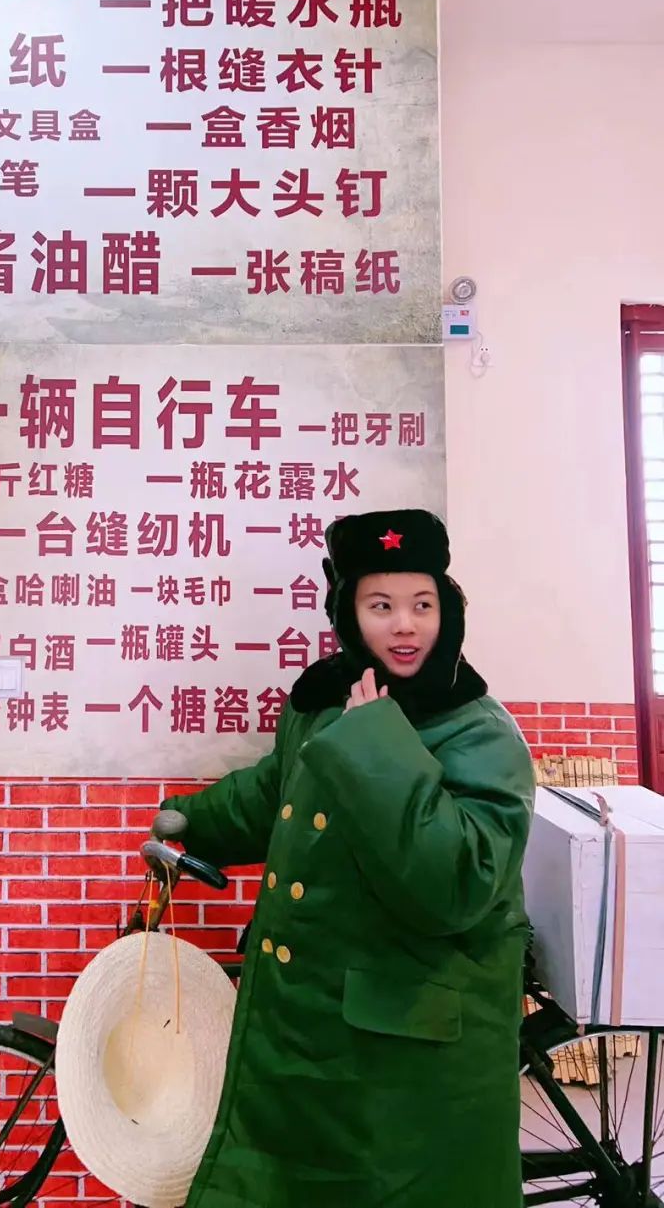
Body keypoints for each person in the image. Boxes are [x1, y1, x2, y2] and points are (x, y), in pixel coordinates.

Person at [158, 508, 536, 1208]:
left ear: (447, 610)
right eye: (381, 605)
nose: (405, 626)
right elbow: (277, 792)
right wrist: (195, 819)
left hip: (404, 1057)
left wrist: (375, 742)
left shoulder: (479, 731)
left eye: (422, 605)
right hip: (308, 1026)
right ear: (349, 614)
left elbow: (456, 881)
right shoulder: (326, 701)